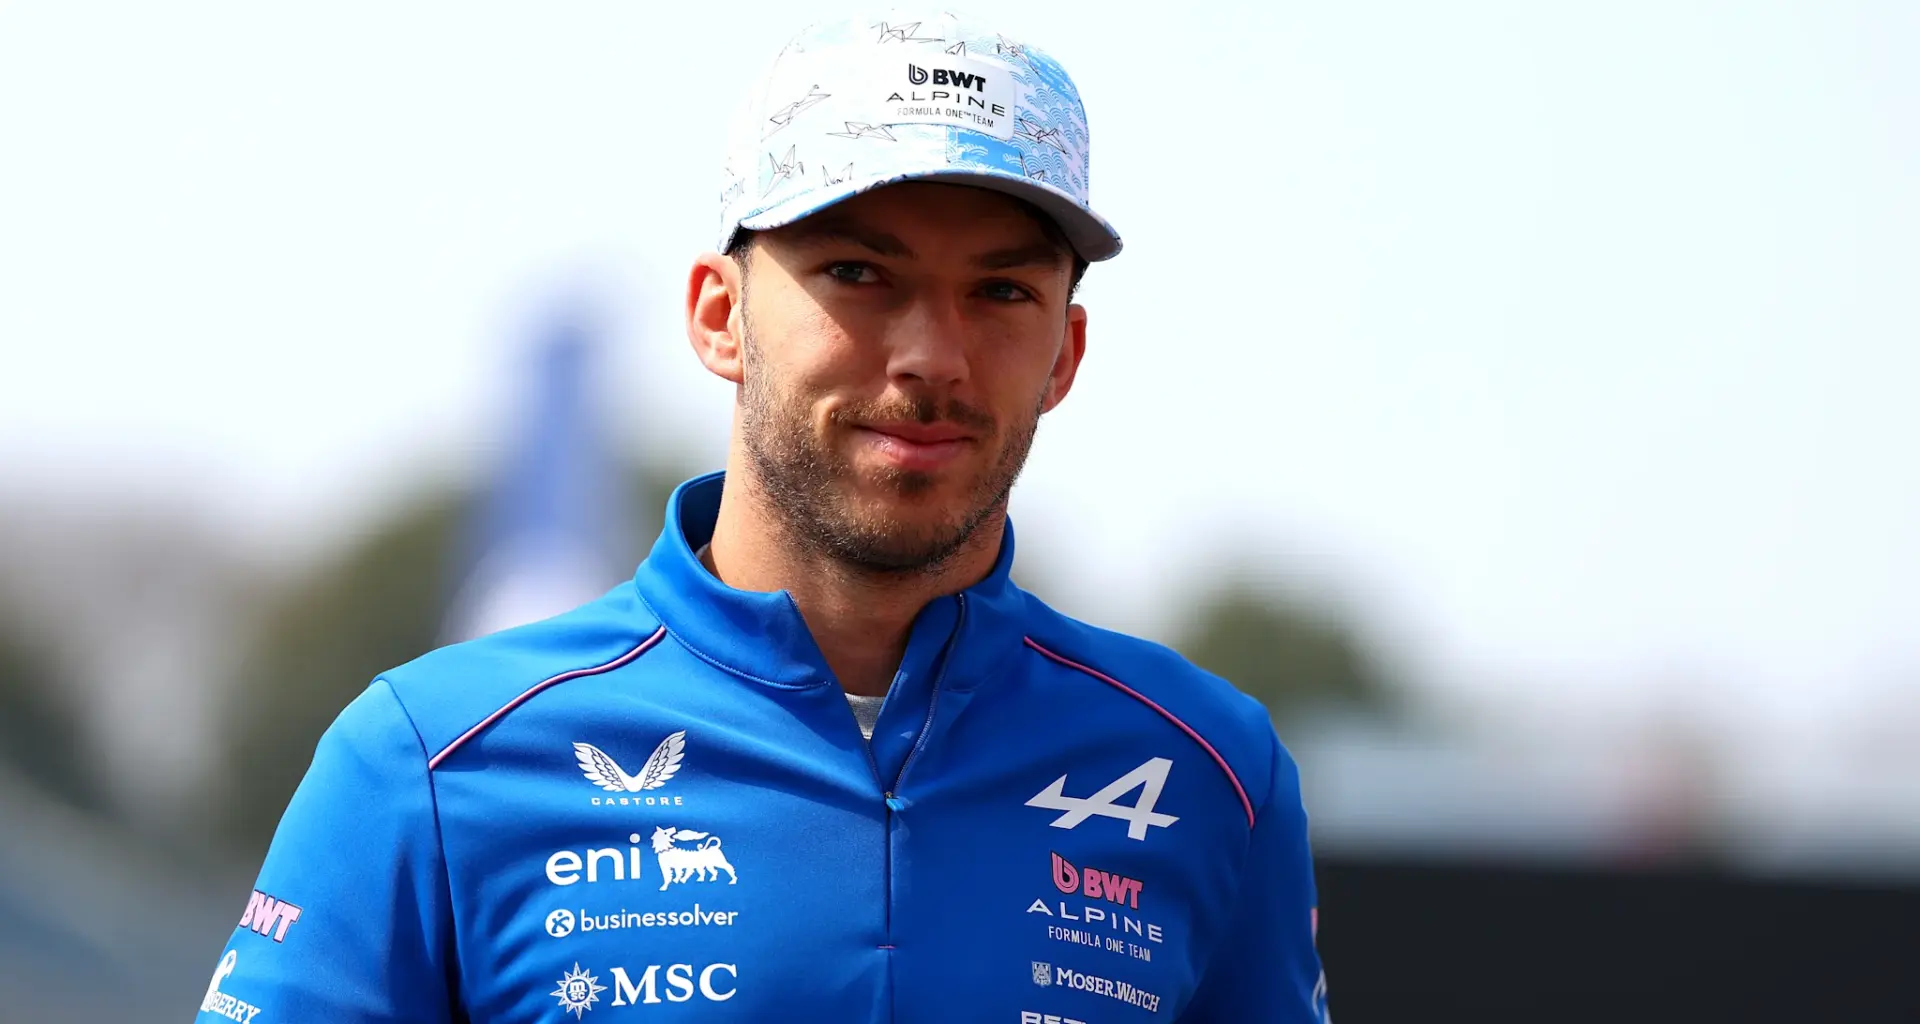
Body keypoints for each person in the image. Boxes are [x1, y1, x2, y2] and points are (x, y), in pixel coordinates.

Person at [194, 9, 1329, 1022]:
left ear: (1065, 353)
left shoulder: (1211, 773)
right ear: (718, 316)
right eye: (859, 274)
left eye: (1001, 291)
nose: (934, 356)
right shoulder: (431, 759)